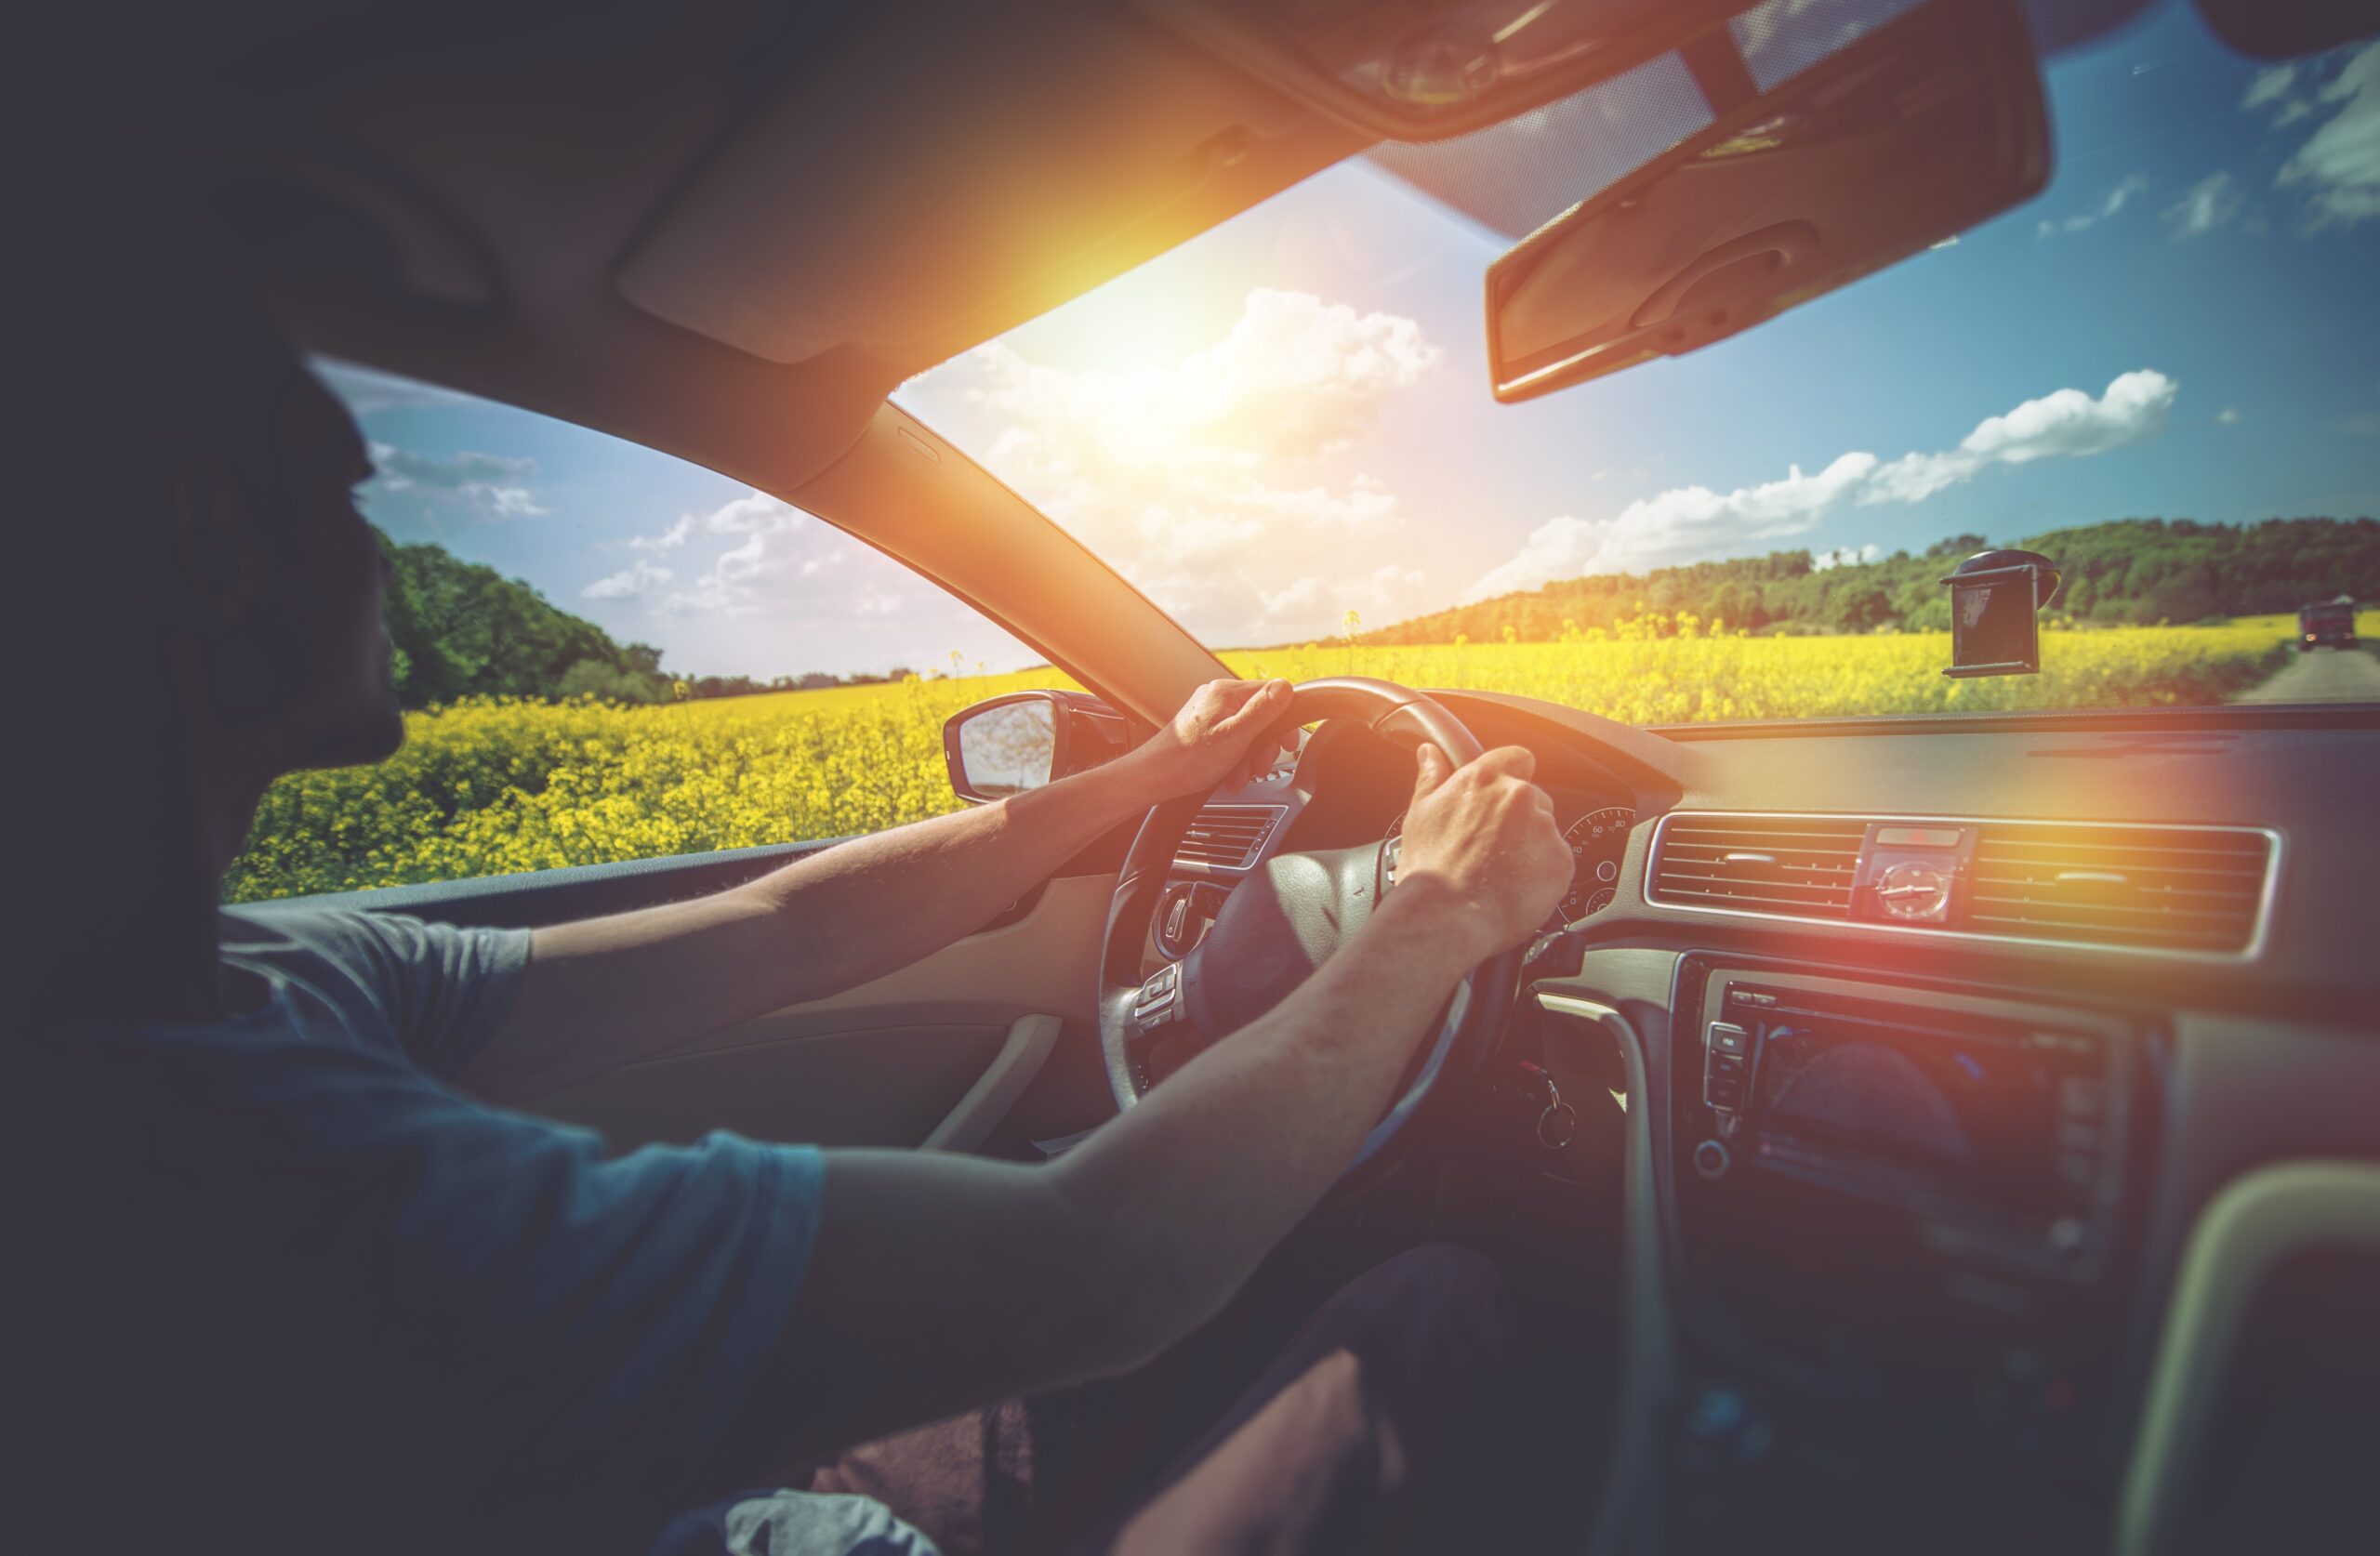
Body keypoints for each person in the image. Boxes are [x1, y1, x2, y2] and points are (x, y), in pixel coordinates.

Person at [13, 249, 1576, 1555]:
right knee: (1430, 1313)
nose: (384, 550)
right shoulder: (226, 1157)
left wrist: (1133, 789)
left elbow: (784, 931)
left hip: (712, 1511)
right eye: (349, 494)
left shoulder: (268, 974)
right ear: (222, 548)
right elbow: (1092, 1266)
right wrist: (1430, 915)